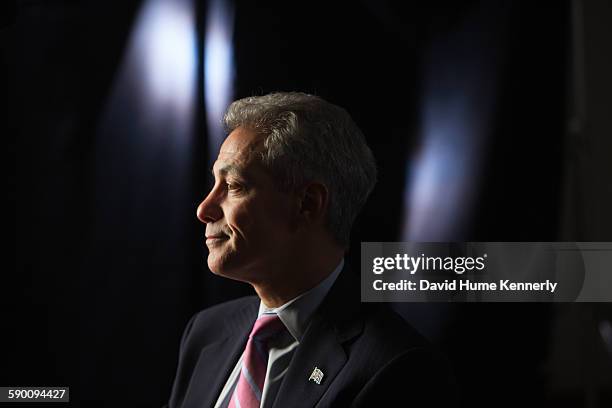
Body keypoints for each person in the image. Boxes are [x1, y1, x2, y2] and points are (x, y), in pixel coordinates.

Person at [165, 92, 455, 408]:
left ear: (308, 204)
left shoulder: (396, 368)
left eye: (233, 186)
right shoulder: (205, 333)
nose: (204, 208)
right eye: (213, 184)